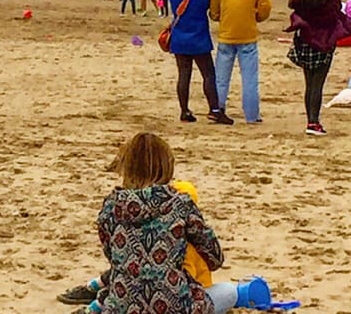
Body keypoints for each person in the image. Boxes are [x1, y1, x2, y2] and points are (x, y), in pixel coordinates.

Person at [97, 132, 245, 314]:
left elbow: (112, 255)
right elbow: (214, 257)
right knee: (229, 292)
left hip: (122, 307)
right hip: (175, 307)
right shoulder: (180, 203)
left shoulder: (111, 206)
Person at [286, 0, 351, 135]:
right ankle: (313, 122)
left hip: (304, 41)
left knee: (309, 83)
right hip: (324, 43)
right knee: (318, 83)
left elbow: (292, 6)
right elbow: (334, 17)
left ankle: (310, 121)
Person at [210, 0, 272, 125]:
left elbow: (214, 13)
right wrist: (256, 16)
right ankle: (252, 115)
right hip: (248, 37)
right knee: (250, 78)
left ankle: (218, 109)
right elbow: (265, 10)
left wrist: (221, 16)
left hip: (226, 35)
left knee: (221, 78)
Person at [168, 0, 232, 125]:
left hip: (180, 38)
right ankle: (214, 110)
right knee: (208, 75)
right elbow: (208, 8)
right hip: (199, 38)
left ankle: (184, 110)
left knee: (184, 75)